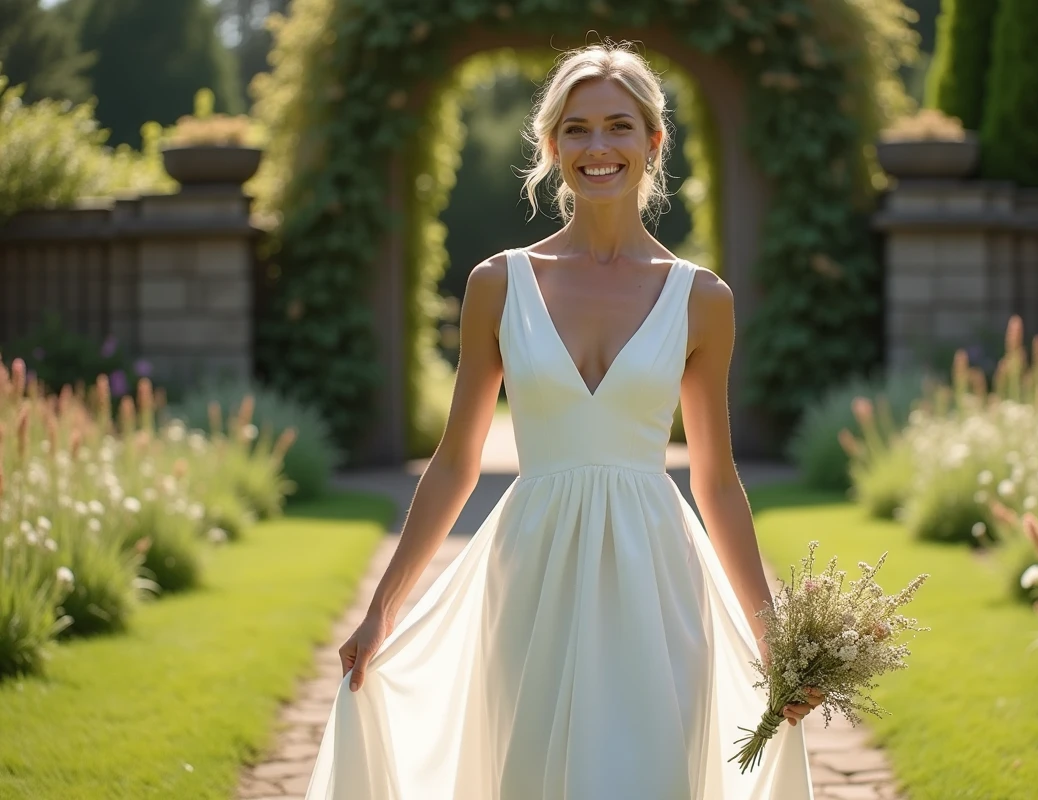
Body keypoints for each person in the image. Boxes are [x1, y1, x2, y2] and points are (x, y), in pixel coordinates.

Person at [304, 39, 822, 800]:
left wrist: (773, 640)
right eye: (576, 128)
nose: (597, 146)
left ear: (652, 142)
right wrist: (384, 608)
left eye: (618, 126)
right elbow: (455, 461)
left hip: (657, 580)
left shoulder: (702, 299)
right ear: (551, 145)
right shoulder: (498, 284)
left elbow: (716, 481)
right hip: (530, 572)